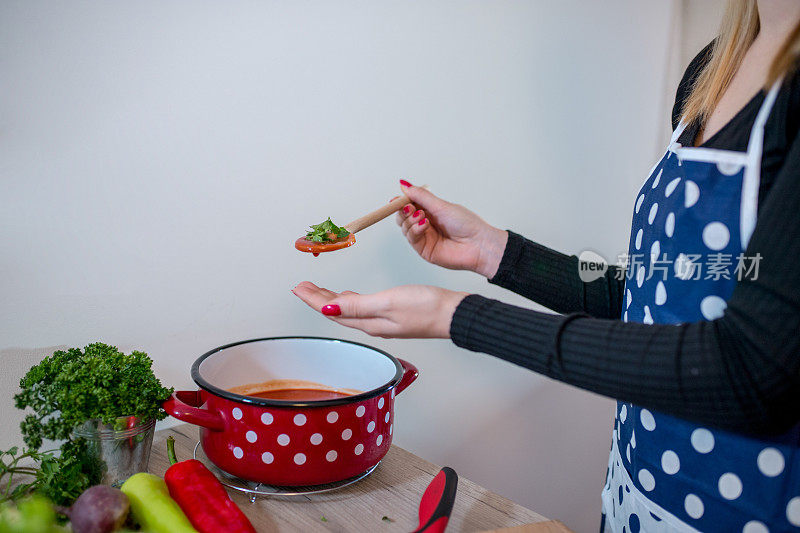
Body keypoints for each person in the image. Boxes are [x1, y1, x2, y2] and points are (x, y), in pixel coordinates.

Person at [293, 0, 800, 530]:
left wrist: (457, 316)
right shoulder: (714, 68)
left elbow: (752, 369)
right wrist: (494, 251)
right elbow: (655, 293)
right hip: (641, 495)